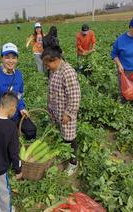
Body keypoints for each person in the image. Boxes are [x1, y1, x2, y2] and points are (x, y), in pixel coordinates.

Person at [41, 46, 81, 176]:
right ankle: (65, 155)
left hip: (65, 114)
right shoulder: (54, 70)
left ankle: (73, 162)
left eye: (48, 64)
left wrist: (68, 114)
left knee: (69, 138)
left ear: (56, 59)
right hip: (56, 111)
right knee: (62, 135)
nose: (47, 67)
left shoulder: (67, 72)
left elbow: (75, 96)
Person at [111, 16, 133, 109]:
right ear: (131, 27)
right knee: (124, 94)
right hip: (125, 72)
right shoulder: (121, 40)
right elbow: (114, 54)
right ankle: (122, 113)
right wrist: (119, 64)